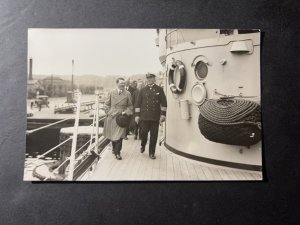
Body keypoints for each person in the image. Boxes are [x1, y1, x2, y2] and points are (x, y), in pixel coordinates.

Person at [135, 73, 167, 159]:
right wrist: (137, 115)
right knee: (143, 133)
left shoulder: (159, 89)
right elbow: (138, 104)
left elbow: (164, 103)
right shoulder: (142, 90)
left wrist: (163, 115)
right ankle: (143, 144)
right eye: (148, 78)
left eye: (150, 78)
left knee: (154, 136)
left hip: (155, 117)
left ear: (154, 79)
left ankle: (151, 153)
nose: (149, 80)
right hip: (144, 116)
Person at [103, 77, 133, 160]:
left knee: (120, 136)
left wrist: (126, 112)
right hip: (112, 116)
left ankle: (117, 152)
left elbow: (130, 106)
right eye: (121, 83)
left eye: (124, 83)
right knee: (113, 135)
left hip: (121, 117)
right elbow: (106, 105)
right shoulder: (111, 92)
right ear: (117, 84)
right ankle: (114, 148)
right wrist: (108, 113)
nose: (123, 84)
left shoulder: (128, 94)